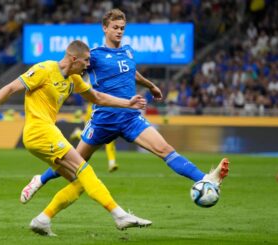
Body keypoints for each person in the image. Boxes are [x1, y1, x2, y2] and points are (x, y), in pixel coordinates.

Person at [20, 8, 229, 224]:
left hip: (129, 118)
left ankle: (205, 178)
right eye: (115, 28)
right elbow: (69, 66)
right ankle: (40, 179)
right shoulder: (95, 55)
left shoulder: (128, 51)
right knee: (75, 162)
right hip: (103, 120)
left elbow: (131, 72)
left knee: (164, 149)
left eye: (122, 28)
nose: (119, 32)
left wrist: (151, 85)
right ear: (105, 28)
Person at [0, 40, 152, 236]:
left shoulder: (73, 79)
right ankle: (119, 215)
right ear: (74, 59)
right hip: (39, 131)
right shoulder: (45, 69)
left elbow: (98, 98)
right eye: (85, 61)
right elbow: (9, 89)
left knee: (80, 182)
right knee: (85, 168)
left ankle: (43, 219)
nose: (87, 65)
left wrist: (128, 103)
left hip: (45, 134)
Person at [69, 102, 119, 172]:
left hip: (105, 108)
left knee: (110, 136)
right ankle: (78, 133)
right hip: (94, 108)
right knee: (88, 136)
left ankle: (112, 162)